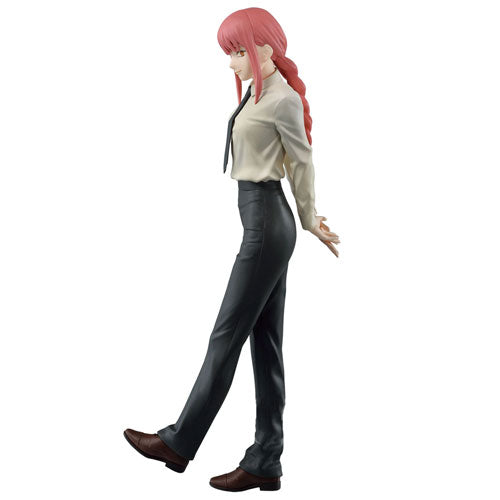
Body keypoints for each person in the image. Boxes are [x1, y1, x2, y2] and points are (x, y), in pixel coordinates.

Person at [123, 7, 340, 492]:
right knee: (266, 345)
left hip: (267, 225)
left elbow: (302, 161)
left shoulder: (281, 99)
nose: (232, 62)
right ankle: (266, 459)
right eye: (230, 52)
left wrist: (310, 219)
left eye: (238, 51)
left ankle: (178, 442)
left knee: (226, 336)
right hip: (260, 222)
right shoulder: (256, 92)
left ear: (266, 48)